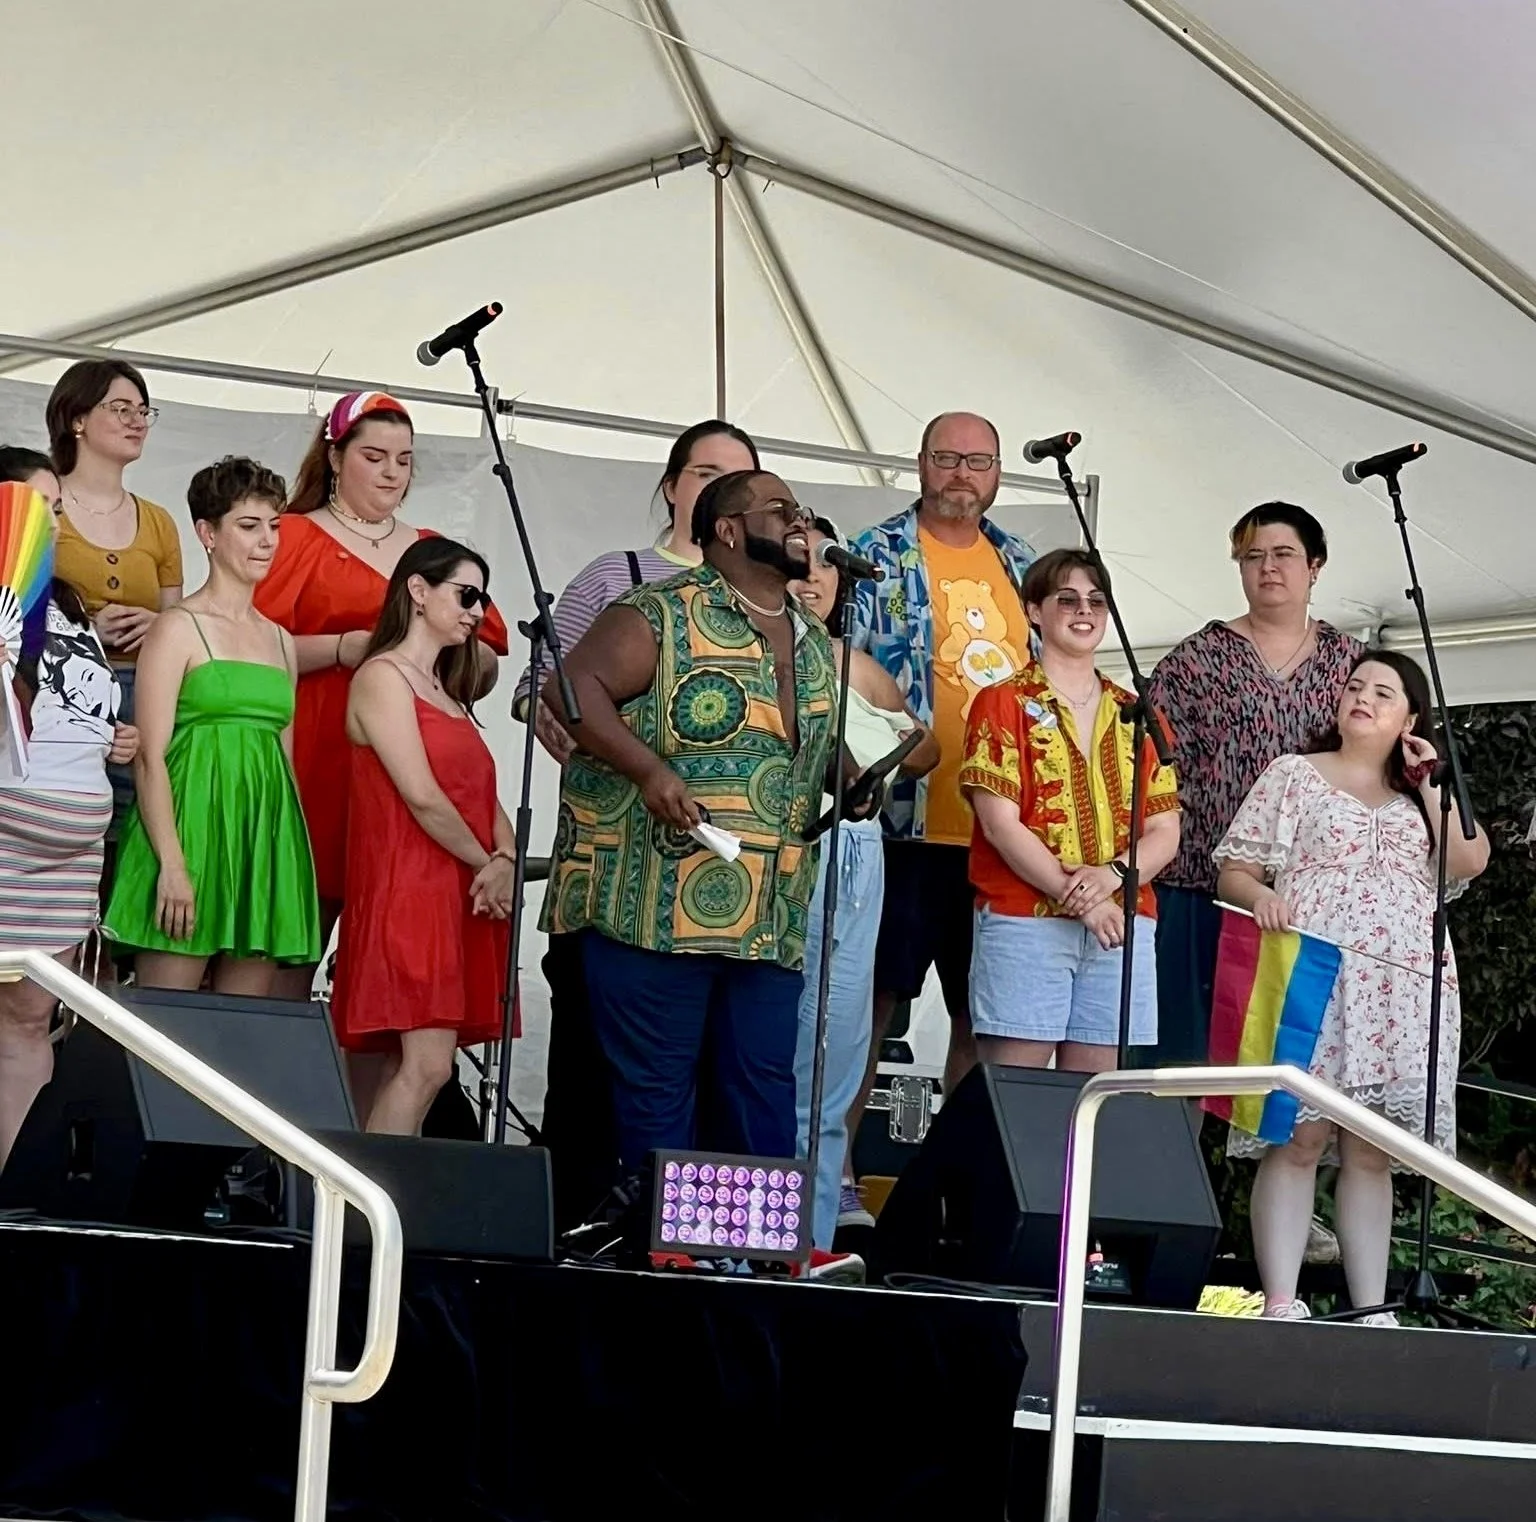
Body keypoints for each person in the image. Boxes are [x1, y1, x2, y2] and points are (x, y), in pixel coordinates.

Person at [541, 469, 843, 1185]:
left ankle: (758, 1269)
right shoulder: (660, 612)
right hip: (657, 911)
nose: (799, 522)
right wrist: (649, 771)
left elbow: (799, 737)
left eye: (799, 510)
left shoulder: (809, 634)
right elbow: (570, 688)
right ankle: (666, 1270)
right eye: (779, 510)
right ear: (730, 530)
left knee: (763, 1095)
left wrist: (850, 777)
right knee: (658, 1107)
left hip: (769, 917)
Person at [511, 418, 759, 1230]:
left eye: (741, 476)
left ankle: (686, 1230)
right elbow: (542, 684)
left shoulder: (767, 595)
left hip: (723, 891)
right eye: (705, 472)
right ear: (672, 485)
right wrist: (576, 738)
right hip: (614, 869)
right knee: (591, 1056)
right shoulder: (616, 575)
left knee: (706, 1071)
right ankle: (574, 1215)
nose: (720, 487)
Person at [1215, 650, 1489, 1324]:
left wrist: (1429, 781)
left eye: (1383, 693)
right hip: (1315, 977)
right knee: (1298, 1135)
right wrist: (1260, 897)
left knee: (1372, 1149)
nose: (1362, 698)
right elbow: (1233, 871)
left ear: (1410, 718)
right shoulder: (1294, 775)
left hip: (1401, 990)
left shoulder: (1421, 794)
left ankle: (1371, 1308)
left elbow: (1468, 860)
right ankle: (1281, 1299)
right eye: (1355, 687)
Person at [253, 391, 508, 997]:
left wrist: (450, 651)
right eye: (374, 456)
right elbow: (248, 644)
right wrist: (340, 648)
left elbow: (490, 655)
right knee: (293, 945)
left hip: (407, 764)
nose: (392, 471)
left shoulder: (430, 548)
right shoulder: (293, 535)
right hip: (314, 754)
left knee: (394, 952)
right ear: (335, 457)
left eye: (404, 458)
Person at [845, 413, 1036, 1129]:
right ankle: (837, 1179)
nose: (962, 473)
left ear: (997, 473)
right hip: (898, 825)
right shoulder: (872, 555)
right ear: (920, 463)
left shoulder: (1024, 563)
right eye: (948, 457)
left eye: (978, 460)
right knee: (871, 1003)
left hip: (1001, 833)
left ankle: (961, 1192)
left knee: (986, 1019)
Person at [1145, 502, 1361, 1068]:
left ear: (1315, 565)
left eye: (1284, 554)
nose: (1268, 567)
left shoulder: (1349, 664)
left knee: (1292, 1073)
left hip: (1307, 899)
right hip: (1197, 885)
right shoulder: (1195, 661)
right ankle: (1166, 1159)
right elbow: (1153, 771)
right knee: (1179, 1063)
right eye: (1253, 556)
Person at [104, 458, 319, 994]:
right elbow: (150, 757)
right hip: (189, 831)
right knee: (165, 1029)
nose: (267, 541)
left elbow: (284, 763)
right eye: (249, 526)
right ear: (207, 533)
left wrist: (283, 863)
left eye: (274, 526)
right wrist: (173, 866)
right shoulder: (177, 627)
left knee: (238, 1037)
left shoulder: (281, 641)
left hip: (262, 838)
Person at [961, 549, 1180, 1071]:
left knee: (1093, 1101)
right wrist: (1083, 899)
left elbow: (1165, 830)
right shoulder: (1003, 700)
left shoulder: (1138, 712)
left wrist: (1111, 878)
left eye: (1096, 601)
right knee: (1016, 1095)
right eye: (1068, 599)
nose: (1084, 611)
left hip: (1123, 921)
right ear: (1034, 611)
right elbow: (999, 823)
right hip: (1026, 918)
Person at [786, 518, 939, 1247]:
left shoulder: (859, 665)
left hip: (855, 854)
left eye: (826, 563)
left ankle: (815, 1235)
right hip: (783, 856)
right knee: (773, 1043)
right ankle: (756, 1230)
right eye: (798, 560)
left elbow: (927, 747)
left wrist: (880, 746)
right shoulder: (756, 653)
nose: (813, 575)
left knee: (839, 1042)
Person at [331, 538, 514, 1135]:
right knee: (428, 1067)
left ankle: (376, 1212)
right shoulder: (383, 677)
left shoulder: (447, 691)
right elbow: (422, 795)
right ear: (417, 590)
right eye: (466, 595)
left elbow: (484, 798)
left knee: (408, 1067)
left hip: (456, 891)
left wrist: (506, 857)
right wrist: (488, 862)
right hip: (410, 894)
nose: (475, 612)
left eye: (481, 600)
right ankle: (369, 1212)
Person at [0, 447, 138, 1167]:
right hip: (6, 841)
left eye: (56, 506)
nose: (54, 519)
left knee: (29, 1022)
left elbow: (75, 701)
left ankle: (14, 1193)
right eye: (39, 505)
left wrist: (112, 733)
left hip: (71, 854)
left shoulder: (68, 602)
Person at [44, 359, 182, 840]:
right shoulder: (41, 505)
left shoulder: (160, 521)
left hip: (144, 701)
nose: (137, 420)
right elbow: (13, 609)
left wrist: (158, 627)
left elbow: (177, 621)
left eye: (144, 410)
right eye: (121, 408)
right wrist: (85, 636)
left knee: (132, 843)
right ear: (76, 418)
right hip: (57, 699)